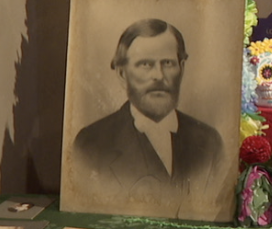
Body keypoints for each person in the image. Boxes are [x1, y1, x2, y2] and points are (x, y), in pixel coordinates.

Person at [73, 19, 221, 200]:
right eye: (145, 64)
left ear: (181, 68)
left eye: (167, 63)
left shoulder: (209, 142)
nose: (158, 76)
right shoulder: (91, 144)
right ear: (122, 73)